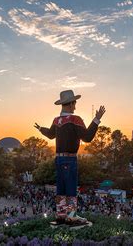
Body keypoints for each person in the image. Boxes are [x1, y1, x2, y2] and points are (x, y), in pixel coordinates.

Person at [34, 90, 105, 227]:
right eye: (74, 103)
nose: (75, 106)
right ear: (71, 104)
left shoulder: (56, 120)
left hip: (58, 160)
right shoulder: (75, 119)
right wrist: (96, 119)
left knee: (61, 187)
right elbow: (88, 137)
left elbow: (50, 134)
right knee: (71, 187)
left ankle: (61, 215)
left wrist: (40, 129)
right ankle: (72, 217)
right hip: (70, 159)